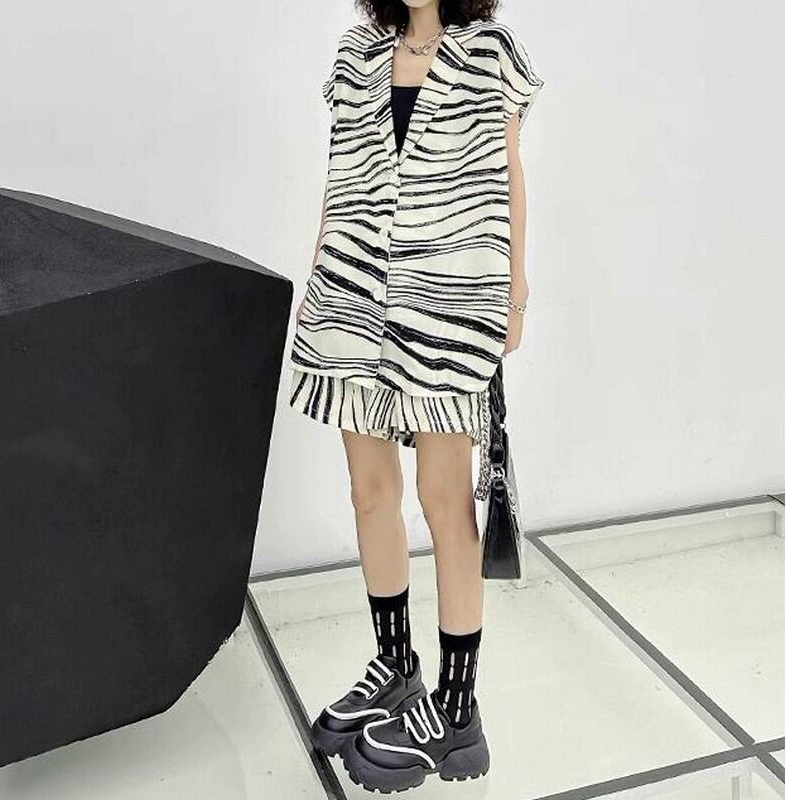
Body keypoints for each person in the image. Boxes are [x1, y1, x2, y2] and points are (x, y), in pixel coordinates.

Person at [285, 0, 543, 791]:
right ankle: (395, 670)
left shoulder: (489, 50)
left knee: (443, 499)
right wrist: (320, 273)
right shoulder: (357, 52)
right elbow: (340, 177)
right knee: (369, 491)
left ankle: (457, 712)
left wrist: (515, 292)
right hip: (354, 298)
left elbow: (508, 173)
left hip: (447, 304)